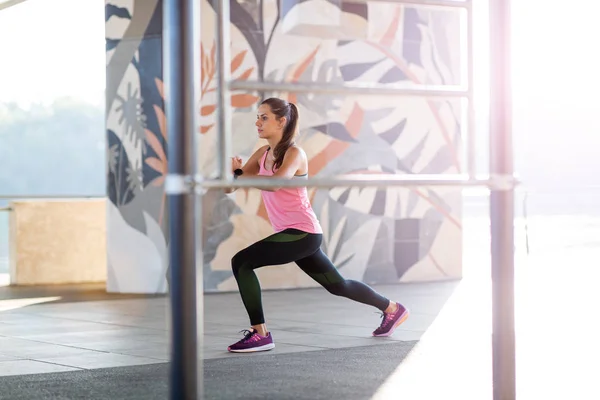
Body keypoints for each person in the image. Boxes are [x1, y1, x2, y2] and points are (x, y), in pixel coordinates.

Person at [224, 97, 409, 353]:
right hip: (296, 234)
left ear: (282, 121)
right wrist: (233, 173)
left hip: (302, 232)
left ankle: (260, 333)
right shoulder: (262, 154)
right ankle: (392, 309)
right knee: (338, 286)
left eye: (264, 117)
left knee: (241, 262)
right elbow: (231, 187)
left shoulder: (294, 153)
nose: (257, 122)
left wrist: (243, 174)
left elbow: (276, 182)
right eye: (258, 116)